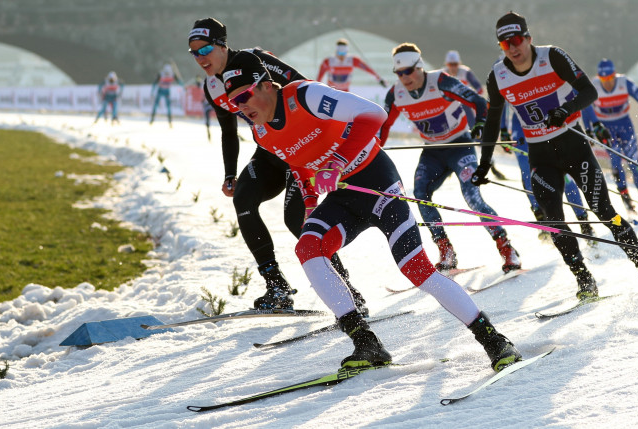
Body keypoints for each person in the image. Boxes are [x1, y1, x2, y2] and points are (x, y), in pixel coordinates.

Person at [221, 50, 522, 372]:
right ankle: (365, 342)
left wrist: (337, 162)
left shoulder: (306, 95)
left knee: (416, 269)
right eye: (233, 103)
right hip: (343, 198)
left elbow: (373, 115)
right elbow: (300, 168)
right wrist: (310, 203)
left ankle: (494, 340)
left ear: (266, 85)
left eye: (244, 96)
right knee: (307, 247)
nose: (241, 108)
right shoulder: (262, 134)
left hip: (377, 184)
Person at [471, 12, 638, 300]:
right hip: (542, 157)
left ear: (528, 38)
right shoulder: (497, 75)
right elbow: (492, 121)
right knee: (554, 222)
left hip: (575, 148)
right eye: (504, 44)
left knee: (605, 213)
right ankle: (584, 279)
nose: (512, 48)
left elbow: (588, 91)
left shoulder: (552, 57)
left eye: (516, 40)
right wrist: (485, 163)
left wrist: (565, 109)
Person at [188, 17, 367, 314]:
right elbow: (229, 131)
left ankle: (347, 290)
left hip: (300, 150)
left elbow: (304, 85)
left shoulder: (257, 60)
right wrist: (230, 174)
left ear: (222, 44)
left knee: (295, 218)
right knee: (243, 199)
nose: (200, 57)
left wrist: (334, 135)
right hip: (270, 152)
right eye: (193, 52)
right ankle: (277, 287)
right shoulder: (211, 87)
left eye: (205, 48)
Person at [378, 43, 521, 274]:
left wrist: (481, 124)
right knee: (420, 194)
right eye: (399, 73)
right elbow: (382, 128)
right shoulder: (396, 94)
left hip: (459, 146)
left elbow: (479, 102)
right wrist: (373, 152)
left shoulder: (441, 81)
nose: (404, 77)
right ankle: (446, 250)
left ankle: (506, 248)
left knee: (472, 197)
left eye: (408, 71)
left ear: (419, 66)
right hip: (433, 151)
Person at [581, 58, 638, 217]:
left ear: (615, 75)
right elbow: (585, 107)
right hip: (606, 129)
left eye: (610, 78)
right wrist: (589, 131)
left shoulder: (625, 83)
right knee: (616, 164)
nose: (607, 82)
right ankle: (626, 199)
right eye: (603, 79)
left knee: (634, 164)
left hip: (625, 127)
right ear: (599, 77)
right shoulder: (594, 86)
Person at [507, 111, 595, 241]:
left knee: (564, 174)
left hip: (547, 121)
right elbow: (499, 102)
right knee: (528, 174)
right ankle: (541, 219)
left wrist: (589, 127)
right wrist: (502, 129)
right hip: (520, 125)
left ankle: (583, 221)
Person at [316, 38, 386, 92]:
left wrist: (379, 79)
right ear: (336, 52)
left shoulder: (353, 60)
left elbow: (368, 69)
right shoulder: (328, 61)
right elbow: (319, 76)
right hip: (331, 91)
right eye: (339, 53)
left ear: (347, 52)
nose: (341, 56)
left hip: (345, 91)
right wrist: (317, 87)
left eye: (343, 53)